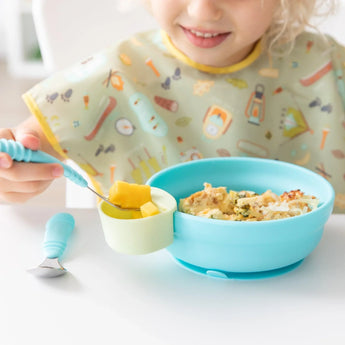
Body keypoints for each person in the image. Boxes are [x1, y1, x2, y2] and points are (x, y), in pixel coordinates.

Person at [0, 0, 344, 212]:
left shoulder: (326, 65)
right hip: (160, 277)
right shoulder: (116, 72)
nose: (202, 9)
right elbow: (29, 143)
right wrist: (14, 169)